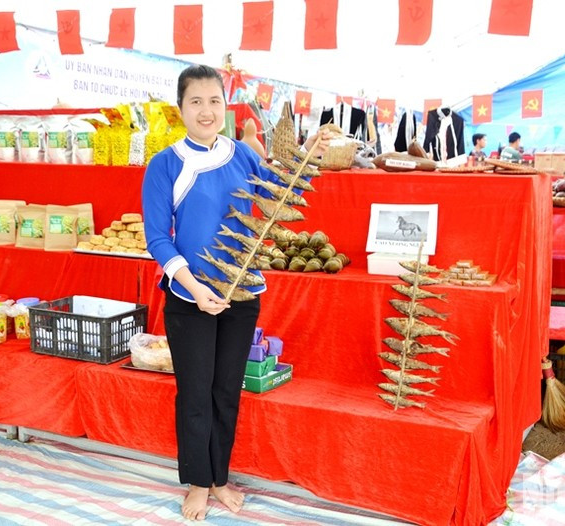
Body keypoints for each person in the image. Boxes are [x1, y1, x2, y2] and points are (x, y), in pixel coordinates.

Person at [141, 64, 329, 521]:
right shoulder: (165, 164)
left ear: (226, 107)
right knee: (195, 393)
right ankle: (198, 484)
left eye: (214, 101)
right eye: (196, 102)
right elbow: (158, 239)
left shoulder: (244, 155)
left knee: (227, 391)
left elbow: (276, 191)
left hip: (243, 295)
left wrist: (309, 152)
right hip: (190, 299)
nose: (206, 111)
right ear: (181, 108)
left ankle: (220, 478)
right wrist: (195, 288)